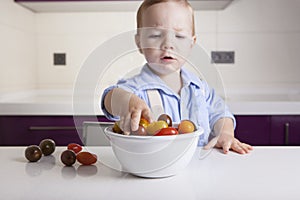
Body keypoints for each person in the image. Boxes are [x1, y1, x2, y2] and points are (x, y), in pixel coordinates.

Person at [101, 0, 253, 154]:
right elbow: (110, 97)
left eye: (179, 36)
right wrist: (127, 102)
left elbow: (220, 113)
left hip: (201, 167)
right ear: (139, 42)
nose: (168, 44)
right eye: (155, 35)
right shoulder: (136, 89)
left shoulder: (199, 87)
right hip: (156, 168)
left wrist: (224, 133)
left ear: (192, 43)